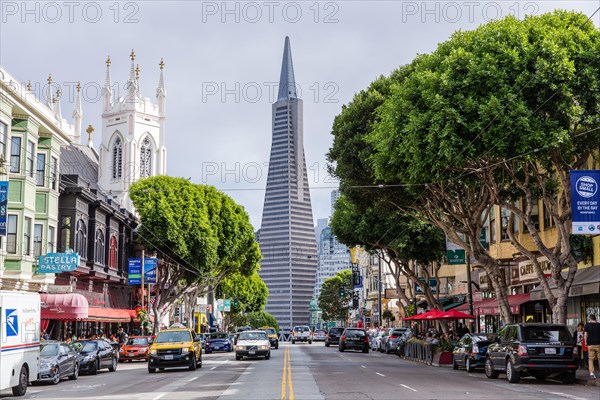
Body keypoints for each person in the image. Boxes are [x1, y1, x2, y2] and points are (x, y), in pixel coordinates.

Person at [584, 314, 600, 379]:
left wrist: (585, 342)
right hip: (598, 343)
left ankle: (591, 373)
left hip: (590, 344)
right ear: (595, 319)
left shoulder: (587, 325)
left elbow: (585, 334)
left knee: (591, 359)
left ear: (590, 319)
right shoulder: (599, 325)